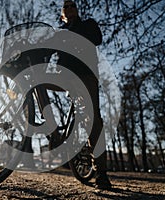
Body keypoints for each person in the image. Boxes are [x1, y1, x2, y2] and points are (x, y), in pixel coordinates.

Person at [60, 0, 112, 189]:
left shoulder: (87, 24)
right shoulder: (58, 32)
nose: (70, 8)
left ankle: (101, 172)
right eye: (66, 6)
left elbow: (97, 38)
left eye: (72, 5)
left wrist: (68, 32)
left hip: (85, 75)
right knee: (32, 80)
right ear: (62, 14)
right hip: (63, 77)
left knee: (92, 118)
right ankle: (43, 125)